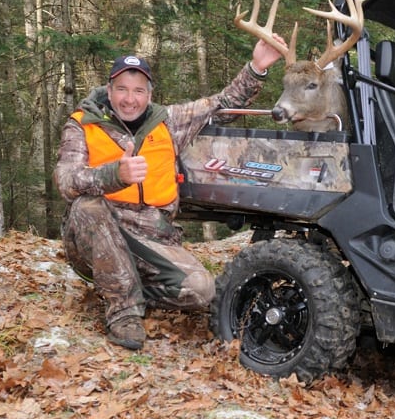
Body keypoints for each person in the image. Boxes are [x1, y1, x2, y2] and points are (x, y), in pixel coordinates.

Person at [54, 40, 286, 350]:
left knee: (202, 291)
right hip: (97, 233)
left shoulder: (168, 121)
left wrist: (257, 67)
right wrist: (113, 176)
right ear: (109, 91)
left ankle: (127, 287)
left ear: (149, 95)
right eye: (122, 89)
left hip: (152, 235)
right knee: (88, 206)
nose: (129, 99)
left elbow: (221, 104)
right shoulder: (83, 124)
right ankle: (123, 313)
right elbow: (66, 180)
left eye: (138, 91)